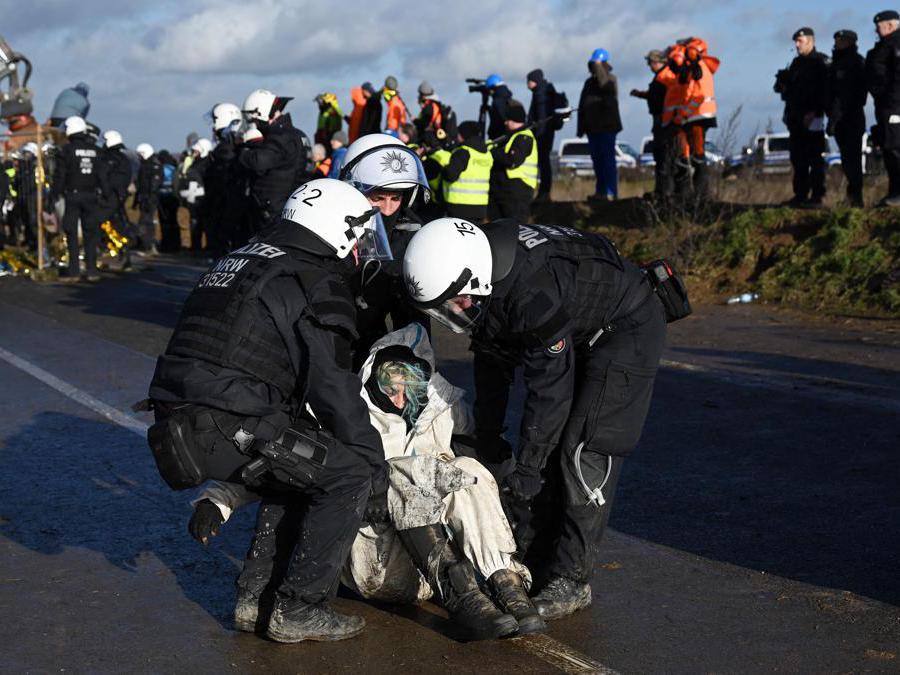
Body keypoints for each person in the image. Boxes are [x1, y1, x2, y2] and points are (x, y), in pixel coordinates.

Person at [147, 178, 393, 643]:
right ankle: (299, 607)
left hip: (182, 414)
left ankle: (254, 600)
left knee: (296, 465)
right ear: (336, 231)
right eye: (358, 235)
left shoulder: (245, 258)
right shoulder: (313, 278)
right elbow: (332, 388)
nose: (361, 248)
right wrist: (373, 462)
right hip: (225, 422)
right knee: (347, 472)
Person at [191, 324, 547, 640]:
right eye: (388, 386)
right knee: (403, 471)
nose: (399, 398)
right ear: (372, 375)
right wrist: (216, 500)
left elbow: (479, 469)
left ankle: (507, 586)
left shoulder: (443, 406)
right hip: (375, 562)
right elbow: (279, 465)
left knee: (465, 465)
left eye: (409, 387)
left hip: (430, 572)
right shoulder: (341, 415)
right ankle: (466, 602)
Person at [401, 218, 668, 621]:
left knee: (582, 448)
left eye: (453, 303)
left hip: (625, 327)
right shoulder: (483, 273)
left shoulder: (528, 292)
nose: (452, 313)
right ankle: (539, 557)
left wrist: (528, 467)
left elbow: (550, 391)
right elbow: (491, 359)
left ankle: (573, 578)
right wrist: (487, 436)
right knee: (545, 450)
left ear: (474, 281)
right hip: (579, 324)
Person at [338, 133, 432, 368]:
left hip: (379, 330)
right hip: (340, 332)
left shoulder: (412, 232)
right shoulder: (333, 226)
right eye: (378, 197)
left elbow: (414, 325)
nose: (388, 209)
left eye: (396, 197)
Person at [239, 89, 313, 230]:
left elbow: (258, 162)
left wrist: (244, 150)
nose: (254, 125)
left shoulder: (280, 136)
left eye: (253, 121)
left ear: (261, 113)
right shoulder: (299, 134)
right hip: (296, 205)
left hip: (275, 210)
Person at [775, 27, 830, 207]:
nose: (797, 45)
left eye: (800, 41)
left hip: (813, 116)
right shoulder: (796, 63)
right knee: (798, 159)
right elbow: (791, 92)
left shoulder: (820, 62)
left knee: (815, 157)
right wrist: (783, 83)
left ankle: (817, 196)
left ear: (810, 41)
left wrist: (815, 111)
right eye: (796, 42)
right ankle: (800, 195)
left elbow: (824, 91)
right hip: (795, 116)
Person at [661, 38, 720, 200]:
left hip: (697, 116)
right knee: (694, 157)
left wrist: (682, 115)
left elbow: (697, 96)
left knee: (698, 157)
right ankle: (696, 195)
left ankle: (702, 195)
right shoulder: (695, 69)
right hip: (695, 116)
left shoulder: (699, 69)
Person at [49, 116, 103, 281]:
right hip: (92, 195)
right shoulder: (96, 150)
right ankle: (92, 270)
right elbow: (102, 175)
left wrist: (54, 194)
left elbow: (60, 175)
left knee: (71, 232)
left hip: (72, 196)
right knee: (90, 233)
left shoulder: (66, 150)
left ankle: (74, 271)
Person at [828, 30, 867, 208]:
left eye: (841, 40)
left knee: (853, 160)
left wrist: (841, 111)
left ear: (850, 42)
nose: (837, 43)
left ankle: (856, 198)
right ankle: (852, 197)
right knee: (846, 159)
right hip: (838, 118)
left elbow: (858, 94)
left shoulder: (856, 62)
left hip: (851, 116)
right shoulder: (834, 64)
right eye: (836, 40)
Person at [577, 49, 623, 201]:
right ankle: (601, 191)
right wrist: (581, 127)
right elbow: (583, 104)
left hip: (607, 127)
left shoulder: (610, 79)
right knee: (597, 161)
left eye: (596, 64)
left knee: (608, 160)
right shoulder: (589, 83)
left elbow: (604, 85)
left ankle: (611, 192)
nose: (593, 67)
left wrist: (598, 66)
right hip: (592, 128)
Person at [205, 103, 250, 254]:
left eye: (215, 120)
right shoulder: (228, 148)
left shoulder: (225, 151)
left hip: (226, 204)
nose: (213, 126)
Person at [866, 10, 900, 206]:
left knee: (896, 147)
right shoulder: (883, 47)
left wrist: (893, 103)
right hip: (884, 106)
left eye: (879, 26)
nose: (876, 30)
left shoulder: (896, 45)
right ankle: (894, 191)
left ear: (890, 25)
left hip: (895, 106)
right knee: (888, 148)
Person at [631, 50, 673, 198]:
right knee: (660, 154)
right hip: (661, 119)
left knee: (663, 154)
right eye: (650, 63)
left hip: (664, 120)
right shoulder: (662, 76)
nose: (650, 66)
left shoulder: (665, 77)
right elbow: (654, 95)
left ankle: (664, 191)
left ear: (661, 62)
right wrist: (641, 94)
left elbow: (660, 97)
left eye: (652, 62)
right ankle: (662, 190)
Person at [488, 100, 537, 222]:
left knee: (516, 228)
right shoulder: (511, 136)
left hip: (518, 189)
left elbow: (512, 161)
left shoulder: (524, 137)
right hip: (504, 189)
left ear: (515, 120)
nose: (505, 122)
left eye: (508, 119)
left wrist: (494, 153)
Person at [442, 120, 493, 223]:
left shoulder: (463, 152)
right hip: (480, 206)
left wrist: (443, 168)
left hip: (459, 205)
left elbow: (450, 175)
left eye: (459, 133)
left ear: (465, 134)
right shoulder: (486, 154)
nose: (457, 136)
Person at [97, 130, 133, 261]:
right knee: (119, 223)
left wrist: (105, 192)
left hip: (109, 197)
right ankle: (123, 252)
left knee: (97, 222)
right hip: (119, 196)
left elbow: (102, 176)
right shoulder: (124, 159)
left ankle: (107, 248)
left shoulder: (108, 158)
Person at [526, 69, 557, 200]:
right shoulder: (544, 90)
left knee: (543, 163)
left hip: (543, 134)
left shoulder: (540, 93)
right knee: (544, 163)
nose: (527, 84)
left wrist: (538, 134)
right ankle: (544, 192)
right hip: (546, 133)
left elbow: (541, 117)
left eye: (529, 81)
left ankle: (544, 192)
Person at [181, 138, 213, 253]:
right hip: (195, 199)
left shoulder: (208, 164)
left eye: (197, 151)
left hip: (204, 199)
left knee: (206, 225)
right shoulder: (196, 163)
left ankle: (209, 248)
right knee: (195, 224)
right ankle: (196, 248)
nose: (194, 153)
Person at [134, 143, 162, 255]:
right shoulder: (144, 165)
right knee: (144, 222)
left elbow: (154, 184)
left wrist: (149, 198)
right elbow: (141, 184)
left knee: (146, 222)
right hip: (144, 197)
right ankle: (147, 245)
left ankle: (149, 246)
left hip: (149, 199)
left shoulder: (154, 165)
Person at [156, 150, 181, 252]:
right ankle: (175, 244)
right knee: (173, 221)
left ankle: (166, 244)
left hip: (163, 198)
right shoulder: (174, 169)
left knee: (164, 222)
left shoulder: (161, 168)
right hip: (173, 199)